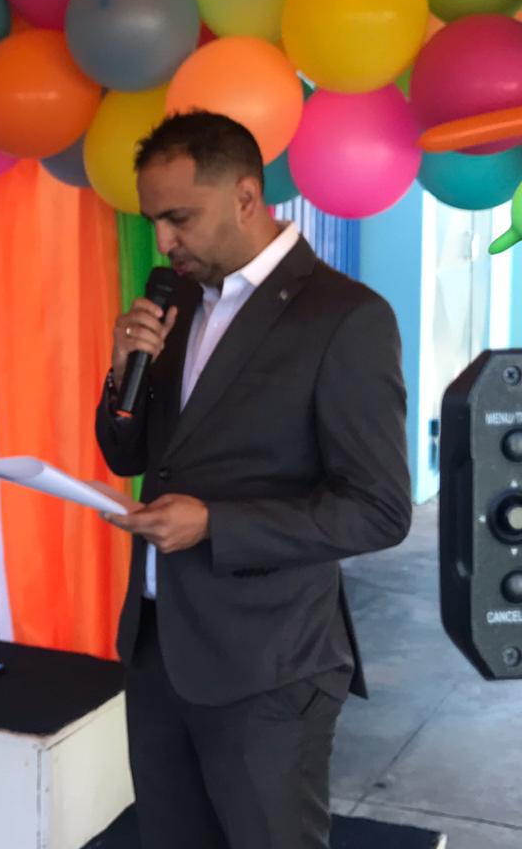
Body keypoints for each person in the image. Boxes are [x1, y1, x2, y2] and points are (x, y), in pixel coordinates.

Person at [96, 112, 412, 849]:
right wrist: (121, 374)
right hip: (157, 648)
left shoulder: (345, 317)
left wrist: (216, 524)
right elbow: (129, 456)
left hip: (269, 665)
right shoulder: (176, 301)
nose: (163, 242)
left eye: (179, 218)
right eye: (152, 221)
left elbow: (379, 509)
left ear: (245, 196)